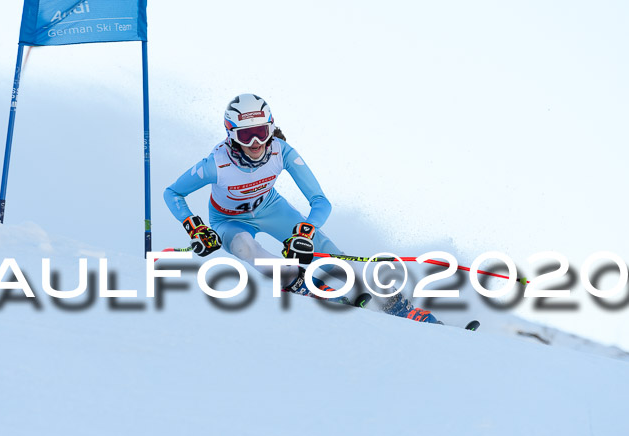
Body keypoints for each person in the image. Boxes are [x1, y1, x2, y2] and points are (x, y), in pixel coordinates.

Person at [163, 93, 440, 322]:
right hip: (229, 220)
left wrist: (305, 233)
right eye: (246, 136)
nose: (256, 144)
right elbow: (172, 192)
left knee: (331, 258)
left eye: (261, 133)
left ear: (271, 128)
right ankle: (298, 282)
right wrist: (195, 227)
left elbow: (320, 202)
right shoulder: (217, 164)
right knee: (244, 247)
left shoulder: (281, 151)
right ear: (232, 135)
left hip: (271, 209)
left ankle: (397, 305)